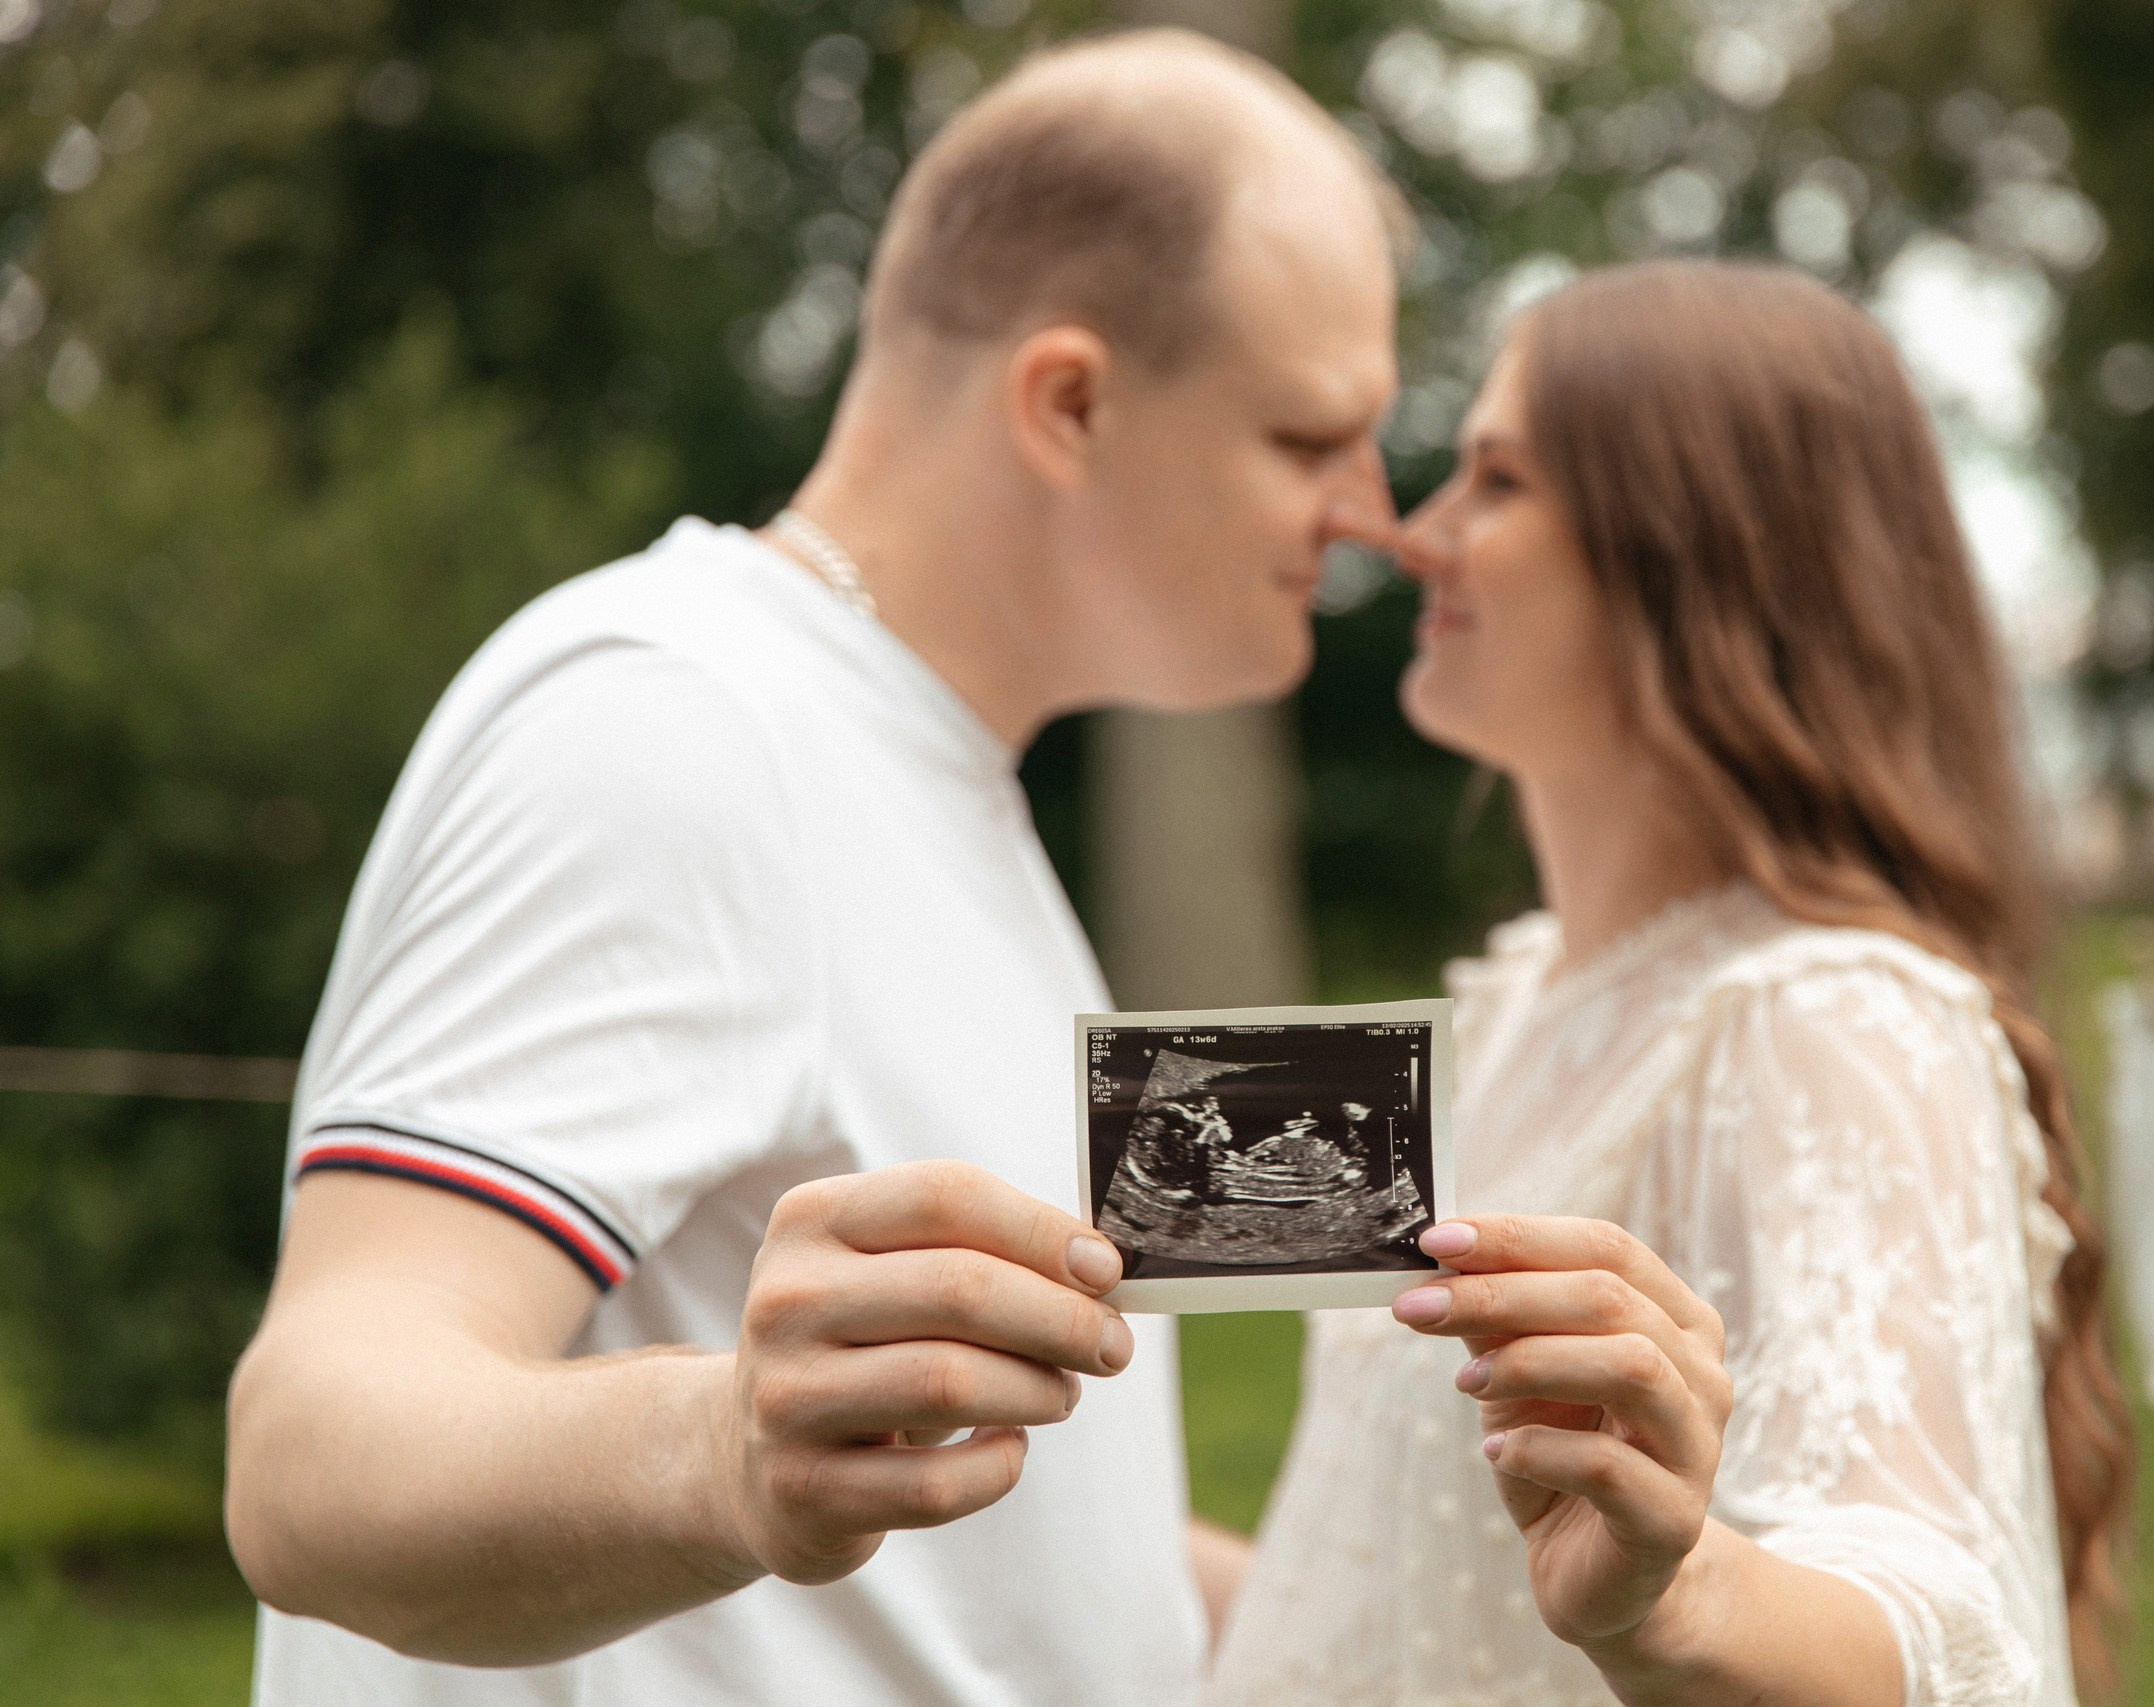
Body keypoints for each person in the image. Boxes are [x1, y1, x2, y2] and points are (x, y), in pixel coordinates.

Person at [222, 28, 1401, 1705]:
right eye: (1308, 438)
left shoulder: (927, 774)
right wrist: (723, 1451)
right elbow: (310, 1460)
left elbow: (1017, 1537)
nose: (1371, 508)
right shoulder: (679, 728)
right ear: (1067, 401)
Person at [1206, 261, 2136, 1707]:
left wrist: (1677, 1594)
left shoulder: (1827, 1015)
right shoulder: (1510, 1004)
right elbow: (1373, 1575)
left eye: (1497, 481)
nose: (1416, 534)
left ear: (1691, 553)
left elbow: (1943, 1611)